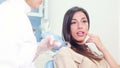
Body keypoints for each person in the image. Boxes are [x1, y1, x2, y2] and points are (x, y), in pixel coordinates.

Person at [53, 6, 120, 68]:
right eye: (73, 22)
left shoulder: (91, 51)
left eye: (84, 21)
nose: (80, 26)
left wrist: (102, 48)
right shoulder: (64, 53)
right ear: (67, 27)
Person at [0, 0, 56, 68]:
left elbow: (21, 59)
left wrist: (38, 50)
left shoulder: (19, 14)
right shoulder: (9, 14)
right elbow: (5, 63)